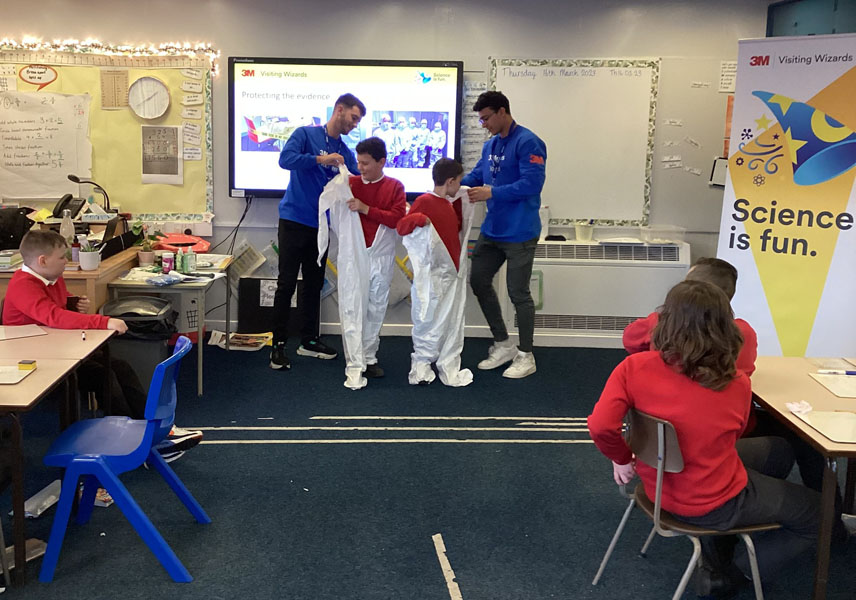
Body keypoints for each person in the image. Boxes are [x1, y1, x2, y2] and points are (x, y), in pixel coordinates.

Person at [588, 280, 821, 597]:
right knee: (819, 512)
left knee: (780, 450)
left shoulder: (633, 367)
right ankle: (730, 573)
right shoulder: (736, 382)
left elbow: (601, 426)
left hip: (657, 484)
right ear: (726, 326)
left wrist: (621, 458)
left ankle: (725, 540)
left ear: (666, 320)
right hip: (712, 502)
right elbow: (735, 433)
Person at [2, 230, 201, 461]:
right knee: (104, 377)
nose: (66, 261)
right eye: (62, 257)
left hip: (54, 351)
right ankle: (131, 443)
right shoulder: (23, 284)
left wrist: (73, 302)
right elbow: (53, 316)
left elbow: (57, 305)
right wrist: (103, 322)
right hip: (34, 364)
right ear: (42, 261)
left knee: (120, 367)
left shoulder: (51, 277)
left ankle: (152, 429)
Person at [270, 93, 366, 371]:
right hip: (293, 220)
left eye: (358, 121)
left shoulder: (344, 150)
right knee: (286, 284)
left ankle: (309, 341)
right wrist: (321, 160)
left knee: (314, 285)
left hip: (321, 227)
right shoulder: (305, 134)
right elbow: (286, 160)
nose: (354, 124)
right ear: (339, 110)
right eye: (353, 118)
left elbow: (358, 180)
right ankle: (278, 345)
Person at [461, 90, 547, 379]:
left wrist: (492, 193)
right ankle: (503, 343)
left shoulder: (529, 142)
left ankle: (526, 355)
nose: (483, 124)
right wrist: (448, 186)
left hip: (520, 232)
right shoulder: (490, 145)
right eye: (481, 120)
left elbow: (531, 184)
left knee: (518, 293)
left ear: (502, 111)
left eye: (486, 118)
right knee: (478, 280)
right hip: (493, 230)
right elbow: (476, 176)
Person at [397, 158, 474, 386]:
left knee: (447, 321)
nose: (459, 187)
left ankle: (439, 360)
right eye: (458, 182)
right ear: (450, 181)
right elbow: (403, 227)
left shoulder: (448, 204)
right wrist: (419, 218)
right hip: (432, 276)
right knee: (428, 318)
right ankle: (422, 363)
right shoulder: (425, 201)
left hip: (450, 274)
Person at [340, 136, 405, 388]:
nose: (360, 167)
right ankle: (354, 360)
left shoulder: (395, 187)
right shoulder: (349, 183)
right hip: (354, 256)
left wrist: (365, 208)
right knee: (352, 307)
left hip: (381, 255)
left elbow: (396, 219)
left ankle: (369, 356)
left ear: (382, 162)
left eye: (365, 163)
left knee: (376, 308)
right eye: (358, 162)